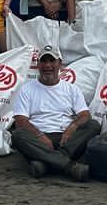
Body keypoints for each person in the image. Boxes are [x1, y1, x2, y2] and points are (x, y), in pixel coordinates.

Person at [9, 45, 99, 180]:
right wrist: (40, 136)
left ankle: (45, 164)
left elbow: (85, 115)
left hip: (66, 139)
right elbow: (20, 120)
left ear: (60, 64)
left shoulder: (71, 89)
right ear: (38, 65)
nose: (48, 65)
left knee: (93, 125)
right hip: (38, 138)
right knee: (17, 135)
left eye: (52, 61)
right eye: (44, 61)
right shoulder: (27, 89)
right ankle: (69, 166)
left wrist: (72, 127)